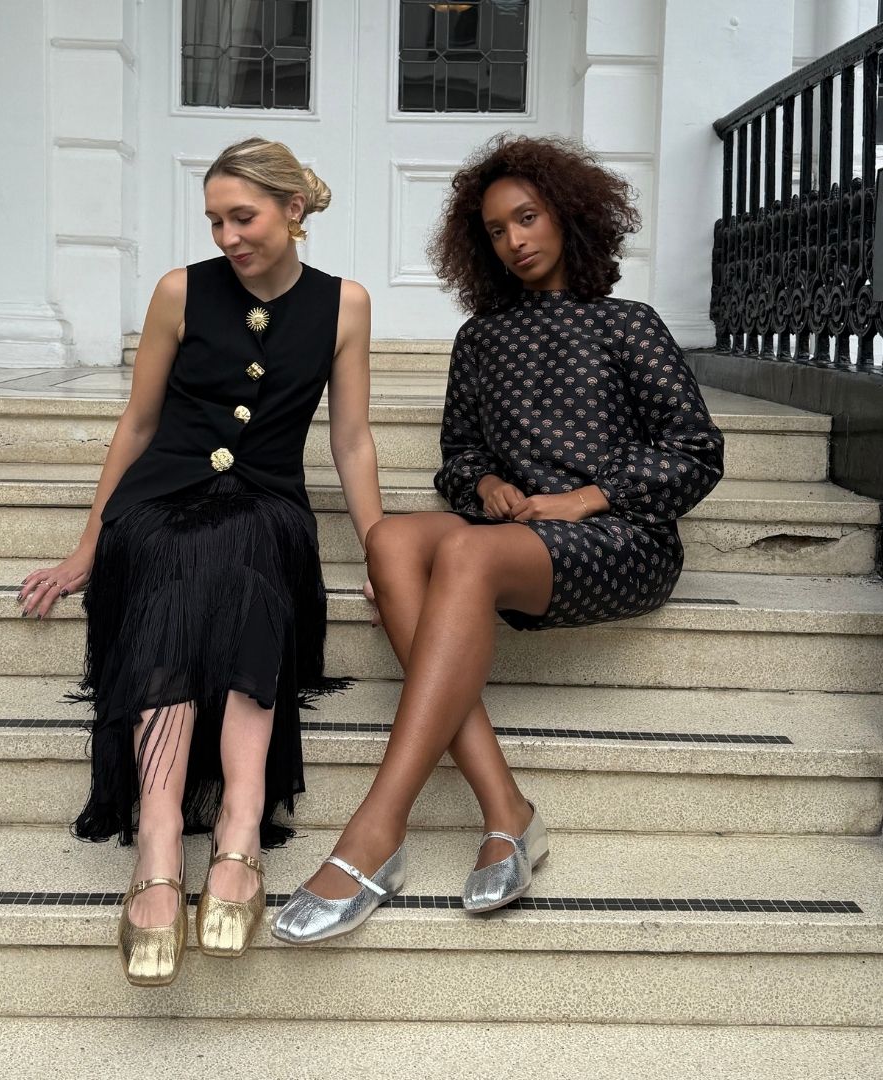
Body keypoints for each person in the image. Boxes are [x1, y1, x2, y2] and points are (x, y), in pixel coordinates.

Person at [273, 134, 725, 944]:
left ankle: (376, 831)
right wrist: (485, 485)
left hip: (620, 538)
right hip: (510, 531)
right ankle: (506, 808)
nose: (514, 240)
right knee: (392, 543)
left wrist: (586, 498)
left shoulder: (628, 324)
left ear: (569, 218)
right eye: (495, 229)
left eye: (528, 218)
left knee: (466, 554)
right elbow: (461, 458)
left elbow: (696, 451)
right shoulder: (480, 338)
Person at [18, 137, 382, 983]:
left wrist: (379, 544)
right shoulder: (179, 291)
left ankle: (240, 824)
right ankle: (158, 836)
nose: (227, 235)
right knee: (178, 557)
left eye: (243, 216)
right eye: (215, 219)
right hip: (162, 500)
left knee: (245, 549)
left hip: (268, 505)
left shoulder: (346, 306)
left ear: (294, 210)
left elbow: (353, 439)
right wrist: (88, 543)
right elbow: (139, 426)